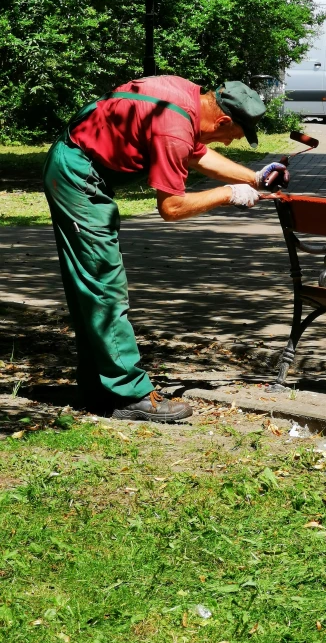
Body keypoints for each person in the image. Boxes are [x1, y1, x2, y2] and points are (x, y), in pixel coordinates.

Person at [43, 76, 289, 422]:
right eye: (231, 136)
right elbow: (171, 208)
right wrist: (227, 194)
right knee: (103, 286)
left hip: (76, 163)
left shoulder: (184, 97)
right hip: (78, 177)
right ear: (222, 120)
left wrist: (254, 178)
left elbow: (196, 153)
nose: (229, 143)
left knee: (91, 287)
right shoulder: (173, 129)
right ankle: (130, 394)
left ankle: (99, 387)